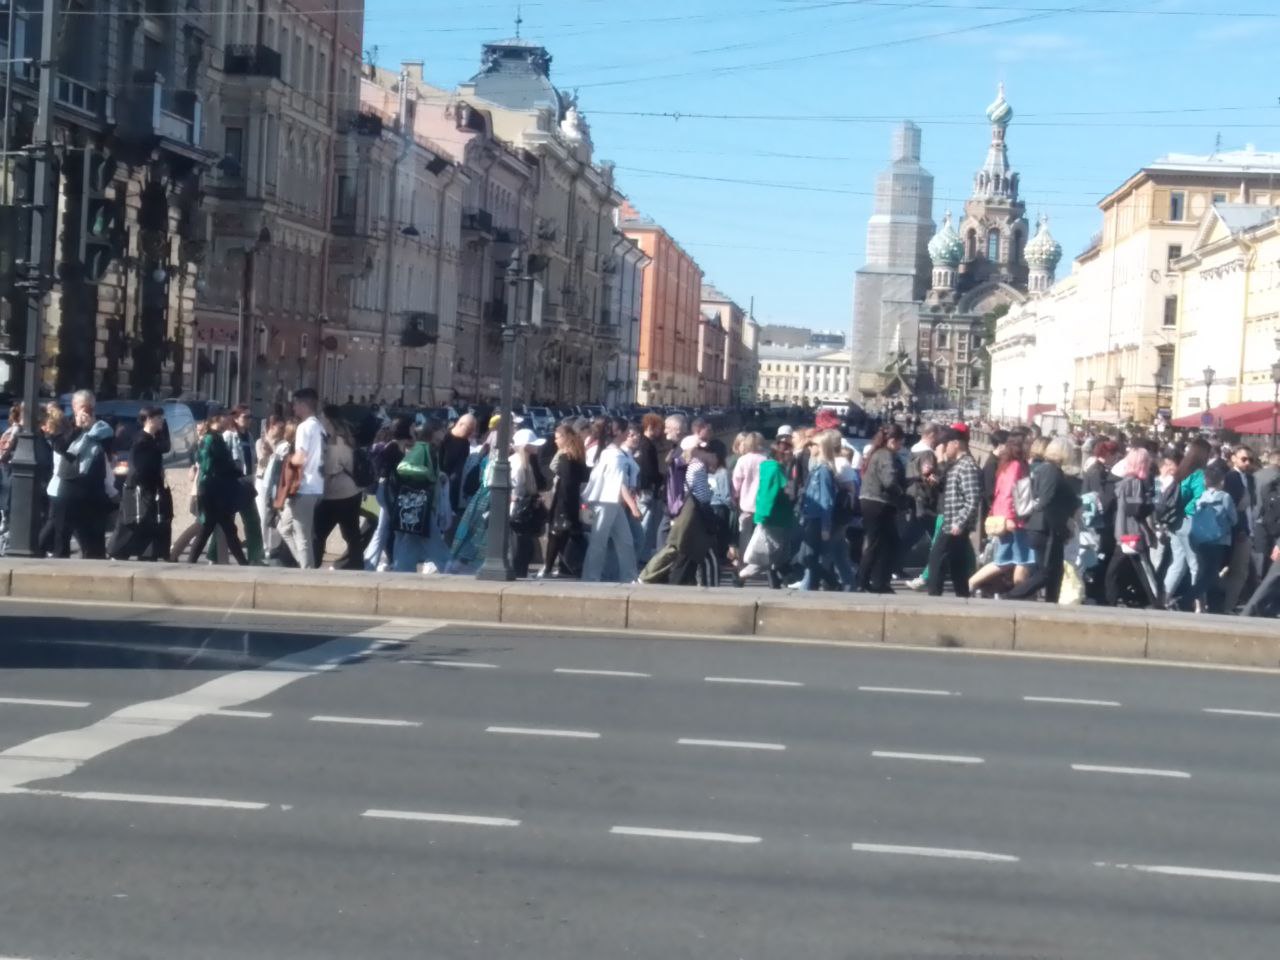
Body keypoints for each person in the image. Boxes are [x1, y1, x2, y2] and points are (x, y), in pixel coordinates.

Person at [1003, 436, 1079, 602]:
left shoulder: (1045, 469)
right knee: (1046, 572)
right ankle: (1011, 595)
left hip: (1046, 527)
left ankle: (1052, 604)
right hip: (1046, 528)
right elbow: (1046, 499)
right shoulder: (1051, 471)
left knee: (1055, 572)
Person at [48, 390, 113, 560]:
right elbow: (60, 447)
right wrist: (77, 428)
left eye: (89, 407)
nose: (85, 411)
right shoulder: (65, 425)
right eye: (82, 406)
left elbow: (110, 450)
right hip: (69, 485)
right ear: (74, 407)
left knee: (95, 538)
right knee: (62, 534)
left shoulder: (102, 427)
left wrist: (92, 427)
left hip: (94, 487)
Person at [970, 433, 1034, 596]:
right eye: (1029, 444)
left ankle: (971, 583)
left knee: (1006, 560)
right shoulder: (1017, 465)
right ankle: (1019, 594)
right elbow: (1008, 493)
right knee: (1023, 559)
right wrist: (1010, 518)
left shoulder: (1007, 464)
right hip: (1015, 520)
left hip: (1007, 517)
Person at [925, 427, 982, 598]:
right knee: (958, 563)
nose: (944, 448)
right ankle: (962, 596)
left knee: (937, 557)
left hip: (955, 523)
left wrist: (960, 522)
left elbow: (972, 498)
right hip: (952, 520)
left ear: (956, 443)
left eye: (946, 444)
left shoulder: (967, 466)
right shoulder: (957, 465)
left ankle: (934, 596)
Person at [108, 407, 170, 561]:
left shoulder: (153, 438)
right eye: (158, 418)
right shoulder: (142, 441)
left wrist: (163, 430)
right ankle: (119, 552)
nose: (162, 421)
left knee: (148, 522)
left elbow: (165, 447)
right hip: (140, 489)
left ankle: (147, 554)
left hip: (150, 488)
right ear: (148, 419)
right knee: (134, 521)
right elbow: (139, 468)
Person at [581, 421, 640, 583]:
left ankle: (630, 576)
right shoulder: (615, 455)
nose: (628, 434)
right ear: (619, 432)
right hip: (606, 501)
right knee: (599, 541)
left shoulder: (611, 452)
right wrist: (633, 506)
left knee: (625, 541)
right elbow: (618, 483)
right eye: (626, 431)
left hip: (611, 502)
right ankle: (591, 577)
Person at [734, 438, 797, 588]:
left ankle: (783, 580)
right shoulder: (775, 470)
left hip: (777, 518)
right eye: (788, 451)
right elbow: (767, 495)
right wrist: (762, 516)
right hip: (774, 519)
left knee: (777, 554)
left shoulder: (774, 468)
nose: (792, 454)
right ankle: (741, 576)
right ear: (781, 454)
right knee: (766, 556)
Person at [187, 412, 248, 565]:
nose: (228, 421)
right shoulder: (209, 438)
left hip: (218, 489)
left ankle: (243, 563)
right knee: (215, 528)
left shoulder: (217, 438)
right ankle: (243, 563)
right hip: (211, 489)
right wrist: (230, 470)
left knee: (222, 528)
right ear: (216, 419)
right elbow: (206, 464)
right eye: (225, 418)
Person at [390, 421, 449, 574]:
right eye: (443, 431)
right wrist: (430, 474)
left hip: (422, 503)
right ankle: (448, 566)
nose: (445, 435)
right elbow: (403, 467)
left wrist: (438, 475)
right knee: (433, 538)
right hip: (421, 502)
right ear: (433, 431)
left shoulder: (430, 449)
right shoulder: (422, 448)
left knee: (412, 541)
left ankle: (401, 569)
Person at [1104, 447, 1159, 608]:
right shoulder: (1135, 483)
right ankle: (1156, 600)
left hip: (1123, 531)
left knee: (1116, 570)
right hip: (1132, 532)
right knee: (1144, 569)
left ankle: (1111, 600)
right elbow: (1135, 509)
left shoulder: (1125, 482)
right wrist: (1152, 505)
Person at [279, 388, 325, 569]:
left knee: (302, 535)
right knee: (284, 528)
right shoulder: (320, 426)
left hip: (304, 486)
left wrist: (286, 465)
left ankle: (308, 572)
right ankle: (305, 564)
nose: (293, 408)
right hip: (317, 485)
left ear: (304, 405)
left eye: (296, 404)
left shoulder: (304, 427)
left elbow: (300, 457)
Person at [1162, 437, 1210, 610]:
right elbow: (1200, 499)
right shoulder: (1199, 474)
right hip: (1190, 521)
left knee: (1178, 563)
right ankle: (1199, 604)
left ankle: (1163, 598)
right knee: (1195, 565)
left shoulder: (1182, 472)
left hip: (1175, 521)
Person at [313, 408, 363, 570]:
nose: (319, 420)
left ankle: (312, 563)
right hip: (351, 492)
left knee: (317, 532)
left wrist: (319, 494)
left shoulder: (335, 442)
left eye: (321, 417)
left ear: (328, 420)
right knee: (352, 534)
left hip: (336, 494)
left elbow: (330, 470)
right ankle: (355, 565)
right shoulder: (346, 438)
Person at [858, 423, 905, 594]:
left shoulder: (876, 453)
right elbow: (889, 481)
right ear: (892, 441)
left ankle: (869, 581)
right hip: (879, 503)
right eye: (900, 443)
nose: (901, 447)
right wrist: (902, 493)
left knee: (878, 543)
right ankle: (871, 581)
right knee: (885, 543)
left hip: (869, 501)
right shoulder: (886, 455)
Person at [795, 429, 844, 591]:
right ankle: (818, 584)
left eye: (814, 444)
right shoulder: (816, 468)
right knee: (807, 556)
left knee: (809, 557)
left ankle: (831, 582)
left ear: (822, 447)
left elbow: (826, 500)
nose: (810, 447)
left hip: (817, 518)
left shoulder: (823, 471)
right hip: (810, 516)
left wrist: (825, 526)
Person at [541, 424, 588, 578]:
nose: (555, 441)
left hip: (563, 502)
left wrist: (562, 506)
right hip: (573, 501)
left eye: (557, 438)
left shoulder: (565, 457)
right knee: (569, 535)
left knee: (556, 535)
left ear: (565, 438)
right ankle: (563, 568)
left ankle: (548, 568)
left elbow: (565, 483)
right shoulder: (578, 455)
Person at [1189, 459, 1236, 614]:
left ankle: (1200, 603)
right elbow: (1234, 519)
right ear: (1222, 481)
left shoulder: (1201, 497)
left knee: (1203, 570)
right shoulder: (1225, 497)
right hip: (1218, 539)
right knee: (1211, 573)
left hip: (1200, 539)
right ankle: (1188, 597)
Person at [1221, 445, 1259, 613]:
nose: (1247, 463)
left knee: (1243, 571)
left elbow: (1251, 505)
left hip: (1248, 529)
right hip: (1237, 531)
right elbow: (1232, 508)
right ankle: (1227, 606)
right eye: (1244, 459)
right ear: (1233, 458)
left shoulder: (1250, 478)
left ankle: (1230, 605)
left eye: (1250, 459)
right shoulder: (1230, 478)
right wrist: (1240, 528)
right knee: (1238, 572)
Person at [509, 428, 548, 578]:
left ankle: (521, 572)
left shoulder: (524, 462)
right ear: (526, 446)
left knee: (524, 546)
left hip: (522, 509)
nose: (537, 447)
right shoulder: (519, 464)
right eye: (533, 444)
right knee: (520, 546)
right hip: (518, 511)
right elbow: (514, 489)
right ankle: (519, 572)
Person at [731, 432, 766, 562]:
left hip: (745, 504)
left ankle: (743, 562)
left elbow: (736, 482)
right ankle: (758, 561)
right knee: (760, 535)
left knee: (744, 535)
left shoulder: (742, 460)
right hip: (761, 504)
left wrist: (735, 496)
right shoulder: (766, 460)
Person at [635, 413, 664, 563]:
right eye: (659, 428)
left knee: (645, 523)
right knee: (644, 524)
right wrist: (661, 478)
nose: (661, 431)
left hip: (642, 488)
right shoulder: (647, 446)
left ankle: (643, 554)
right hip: (645, 489)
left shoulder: (642, 444)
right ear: (650, 427)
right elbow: (648, 470)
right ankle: (641, 555)